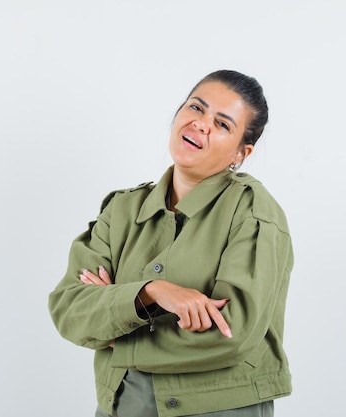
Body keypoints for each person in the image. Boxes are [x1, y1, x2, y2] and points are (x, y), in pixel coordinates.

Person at [48, 69, 294, 417]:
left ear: (241, 152)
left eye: (223, 124)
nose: (202, 124)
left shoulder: (253, 213)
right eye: (196, 108)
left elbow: (234, 332)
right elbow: (70, 309)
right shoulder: (121, 209)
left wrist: (118, 324)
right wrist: (151, 292)